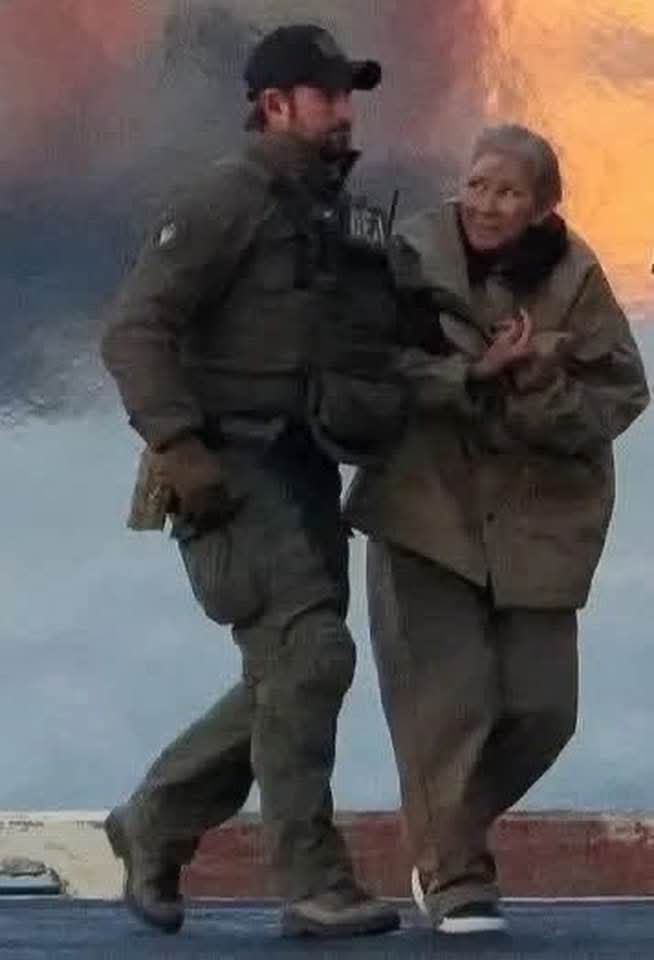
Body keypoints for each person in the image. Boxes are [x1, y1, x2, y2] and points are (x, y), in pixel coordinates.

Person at [100, 24, 404, 939]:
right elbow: (134, 331)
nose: (345, 112)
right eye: (327, 95)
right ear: (275, 104)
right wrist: (180, 447)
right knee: (311, 656)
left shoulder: (331, 215)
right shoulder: (225, 198)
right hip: (228, 467)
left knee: (290, 674)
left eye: (349, 96)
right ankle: (313, 881)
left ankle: (153, 820)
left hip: (306, 466)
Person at [346, 123, 650, 935]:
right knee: (449, 708)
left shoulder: (576, 277)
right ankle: (455, 879)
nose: (486, 203)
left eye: (509, 192)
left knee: (545, 711)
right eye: (477, 183)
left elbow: (620, 395)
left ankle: (443, 831)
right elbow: (366, 369)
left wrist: (537, 377)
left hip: (537, 522)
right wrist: (469, 374)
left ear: (542, 206)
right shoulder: (408, 257)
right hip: (426, 510)